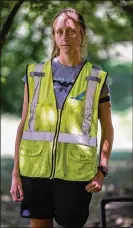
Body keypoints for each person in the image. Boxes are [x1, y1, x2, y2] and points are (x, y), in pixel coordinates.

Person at [10, 7, 114, 228]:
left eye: (71, 31)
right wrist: (15, 173)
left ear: (82, 34)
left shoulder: (96, 79)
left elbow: (107, 128)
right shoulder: (34, 74)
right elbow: (23, 124)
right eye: (59, 32)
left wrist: (101, 170)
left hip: (76, 174)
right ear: (54, 36)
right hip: (35, 170)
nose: (64, 38)